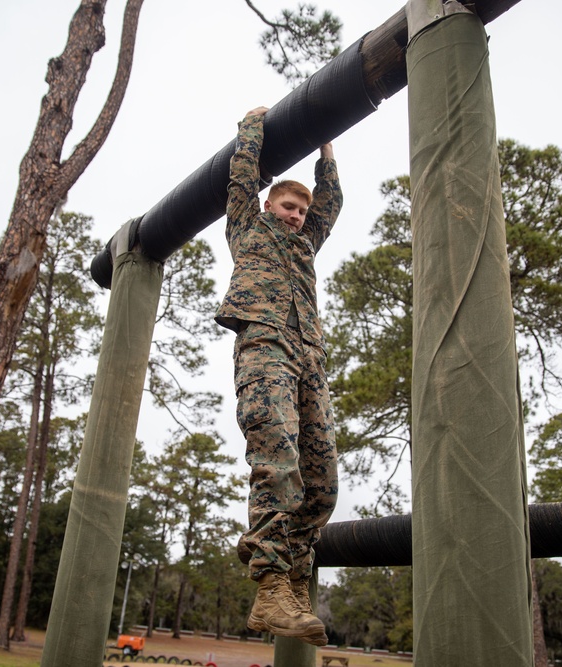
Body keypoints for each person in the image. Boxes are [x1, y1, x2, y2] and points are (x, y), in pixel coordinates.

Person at [215, 106, 342, 646]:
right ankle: (269, 586)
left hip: (309, 354)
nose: (296, 216)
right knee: (278, 458)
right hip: (265, 342)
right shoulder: (248, 223)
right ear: (269, 204)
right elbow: (242, 172)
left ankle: (294, 578)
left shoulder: (305, 242)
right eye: (288, 206)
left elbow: (330, 206)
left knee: (323, 484)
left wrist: (327, 155)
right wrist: (253, 128)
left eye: (300, 211)